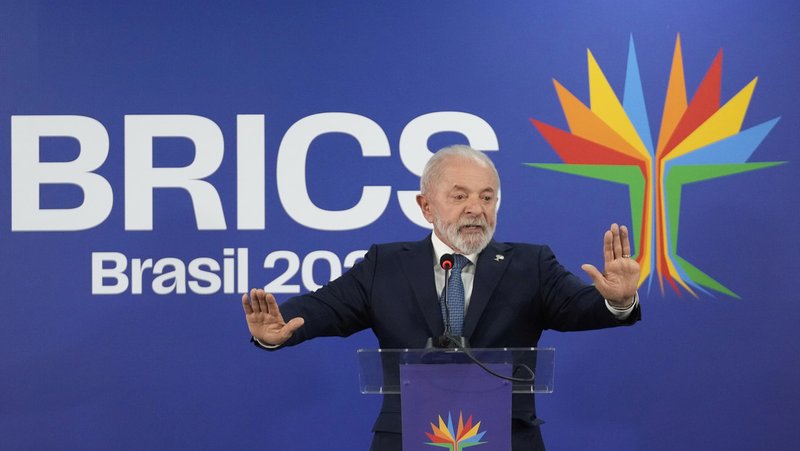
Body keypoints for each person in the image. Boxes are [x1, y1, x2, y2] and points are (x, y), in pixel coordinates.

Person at [241, 144, 641, 450]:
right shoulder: (386, 264)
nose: (476, 209)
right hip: (407, 438)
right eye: (460, 195)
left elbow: (578, 306)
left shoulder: (530, 264)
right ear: (426, 206)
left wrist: (618, 300)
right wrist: (279, 329)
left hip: (505, 437)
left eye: (487, 197)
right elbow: (324, 306)